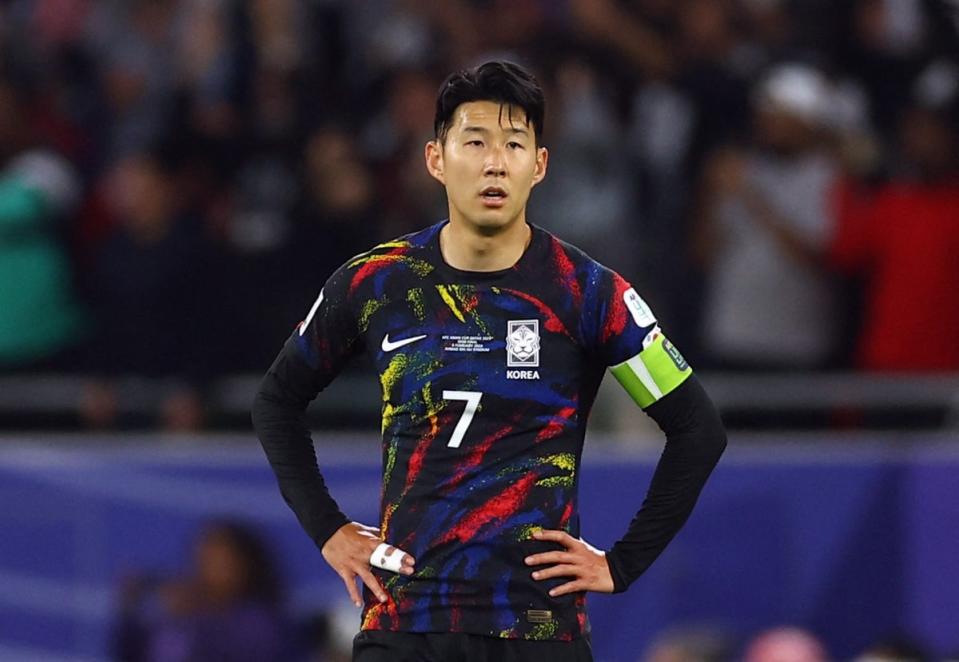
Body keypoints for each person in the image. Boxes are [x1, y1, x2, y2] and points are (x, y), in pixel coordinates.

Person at [253, 61, 726, 662]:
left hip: (537, 629)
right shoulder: (374, 282)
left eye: (514, 144)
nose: (495, 162)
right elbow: (276, 401)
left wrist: (622, 562)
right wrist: (329, 530)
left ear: (540, 166)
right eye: (474, 141)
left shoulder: (590, 294)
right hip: (407, 621)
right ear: (436, 159)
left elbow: (698, 428)